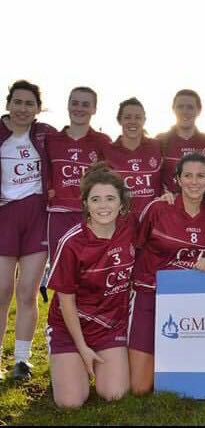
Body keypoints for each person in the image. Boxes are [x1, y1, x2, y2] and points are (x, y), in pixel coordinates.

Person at [45, 164, 134, 407]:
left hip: (110, 326)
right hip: (70, 328)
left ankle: (84, 367)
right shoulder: (72, 242)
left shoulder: (130, 229)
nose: (103, 206)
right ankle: (67, 362)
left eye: (110, 198)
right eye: (95, 199)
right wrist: (82, 347)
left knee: (114, 394)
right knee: (70, 402)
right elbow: (65, 300)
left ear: (121, 203)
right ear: (85, 204)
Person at [128, 153, 205, 394]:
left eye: (201, 176)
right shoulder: (159, 208)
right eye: (187, 175)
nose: (194, 181)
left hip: (190, 301)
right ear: (177, 179)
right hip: (149, 294)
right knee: (139, 387)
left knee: (184, 383)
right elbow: (134, 247)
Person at [0, 80, 55, 381]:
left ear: (37, 108)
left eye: (29, 104)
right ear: (8, 104)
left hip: (36, 216)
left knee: (27, 291)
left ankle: (21, 360)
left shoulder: (45, 134)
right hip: (4, 215)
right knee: (1, 291)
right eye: (17, 102)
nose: (23, 108)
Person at [44, 87, 111, 301]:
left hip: (90, 216)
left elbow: (109, 177)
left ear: (94, 109)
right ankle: (61, 328)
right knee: (63, 278)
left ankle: (93, 327)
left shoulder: (102, 141)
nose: (79, 108)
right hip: (59, 214)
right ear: (68, 105)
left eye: (85, 104)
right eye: (75, 103)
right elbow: (44, 169)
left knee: (93, 275)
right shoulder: (52, 139)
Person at [102, 98, 163, 217]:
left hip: (152, 220)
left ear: (144, 120)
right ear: (119, 120)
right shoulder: (107, 150)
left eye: (138, 117)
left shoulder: (157, 146)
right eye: (127, 117)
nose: (133, 121)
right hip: (120, 221)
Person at [156, 89, 205, 194]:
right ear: (173, 109)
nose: (184, 111)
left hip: (199, 205)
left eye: (190, 107)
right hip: (169, 205)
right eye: (180, 107)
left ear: (199, 110)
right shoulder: (160, 140)